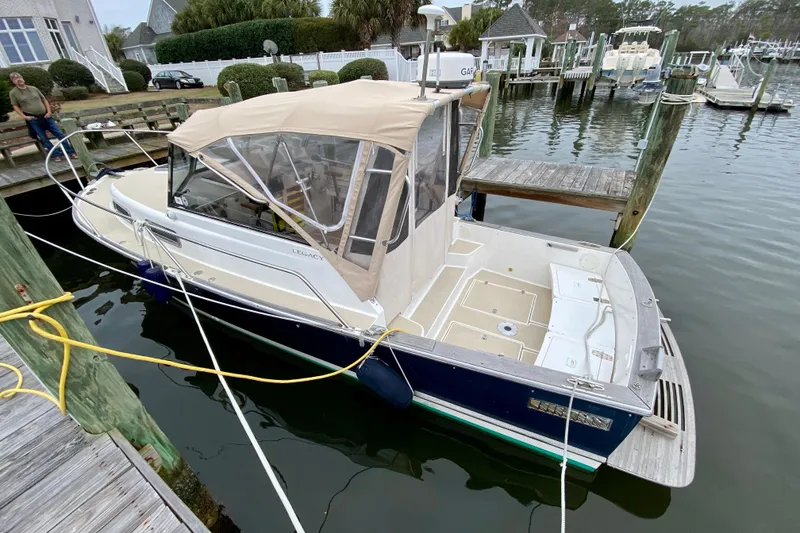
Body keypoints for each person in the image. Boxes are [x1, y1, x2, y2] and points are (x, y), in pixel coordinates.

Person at [8, 72, 77, 162]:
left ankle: (70, 152)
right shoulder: (13, 93)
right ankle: (56, 155)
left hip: (46, 116)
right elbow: (15, 105)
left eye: (19, 77)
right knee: (44, 138)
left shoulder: (33, 89)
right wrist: (24, 116)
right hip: (33, 118)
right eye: (15, 78)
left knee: (59, 133)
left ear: (22, 78)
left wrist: (49, 111)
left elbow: (44, 99)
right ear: (13, 81)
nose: (18, 79)